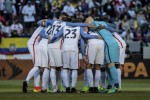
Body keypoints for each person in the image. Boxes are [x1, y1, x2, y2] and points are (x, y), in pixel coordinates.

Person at [50, 20, 101, 93]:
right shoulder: (79, 28)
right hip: (74, 49)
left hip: (64, 49)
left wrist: (51, 41)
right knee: (74, 69)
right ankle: (73, 88)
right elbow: (85, 36)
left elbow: (56, 35)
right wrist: (96, 36)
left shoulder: (64, 27)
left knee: (65, 68)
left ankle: (67, 88)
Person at [85, 16, 119, 93]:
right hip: (112, 43)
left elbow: (88, 27)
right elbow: (113, 25)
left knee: (111, 65)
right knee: (109, 66)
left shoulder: (92, 24)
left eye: (86, 22)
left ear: (88, 22)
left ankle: (116, 86)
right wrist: (105, 27)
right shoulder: (102, 22)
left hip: (109, 44)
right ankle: (110, 86)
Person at [22, 25, 48, 93]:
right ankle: (26, 81)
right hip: (33, 44)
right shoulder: (46, 26)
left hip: (35, 44)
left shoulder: (45, 25)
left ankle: (37, 88)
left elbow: (40, 22)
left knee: (38, 67)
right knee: (37, 66)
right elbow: (40, 23)